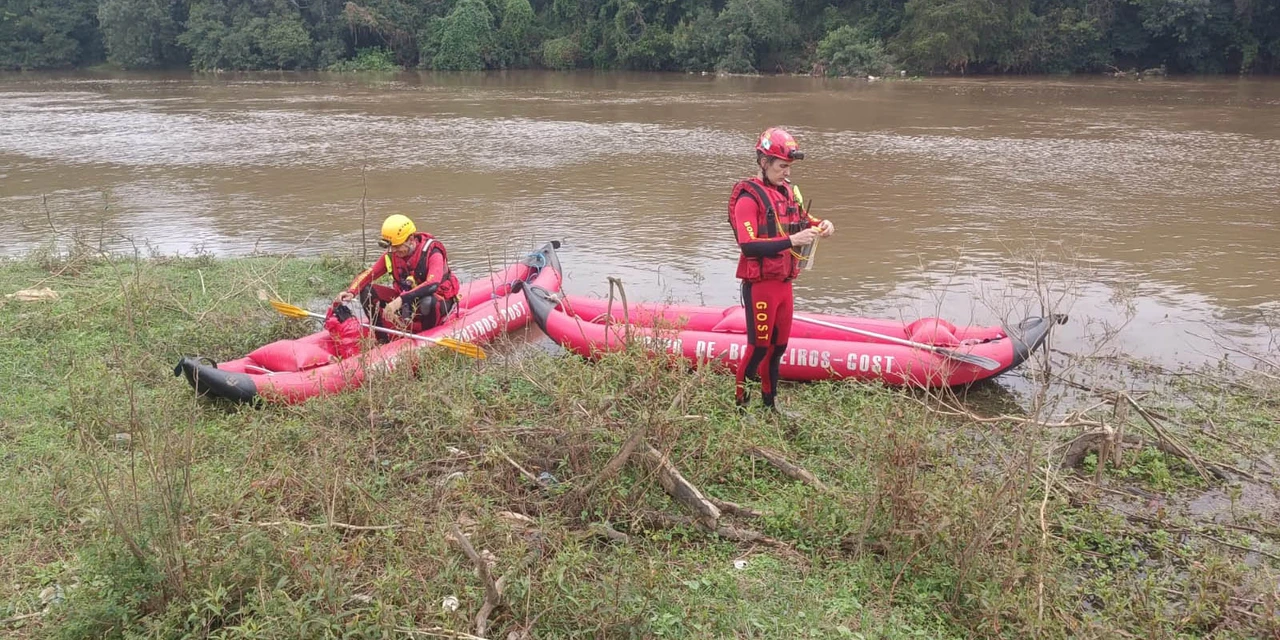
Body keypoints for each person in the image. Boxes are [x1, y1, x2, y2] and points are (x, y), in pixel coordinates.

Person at [728, 127, 834, 412]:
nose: (787, 172)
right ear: (764, 163)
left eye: (789, 167)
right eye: (781, 166)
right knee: (758, 349)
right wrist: (792, 240)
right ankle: (740, 408)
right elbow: (748, 245)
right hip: (761, 285)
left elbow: (805, 220)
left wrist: (823, 225)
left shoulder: (788, 193)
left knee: (778, 348)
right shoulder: (748, 199)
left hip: (784, 285)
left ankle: (770, 405)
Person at [334, 214, 461, 336]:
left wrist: (400, 300)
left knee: (427, 302)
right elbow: (369, 274)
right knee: (367, 291)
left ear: (411, 239)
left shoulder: (433, 251)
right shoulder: (392, 255)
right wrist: (351, 291)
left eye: (397, 246)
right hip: (406, 301)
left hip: (436, 301)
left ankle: (426, 336)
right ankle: (382, 337)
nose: (394, 251)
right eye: (391, 247)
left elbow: (433, 284)